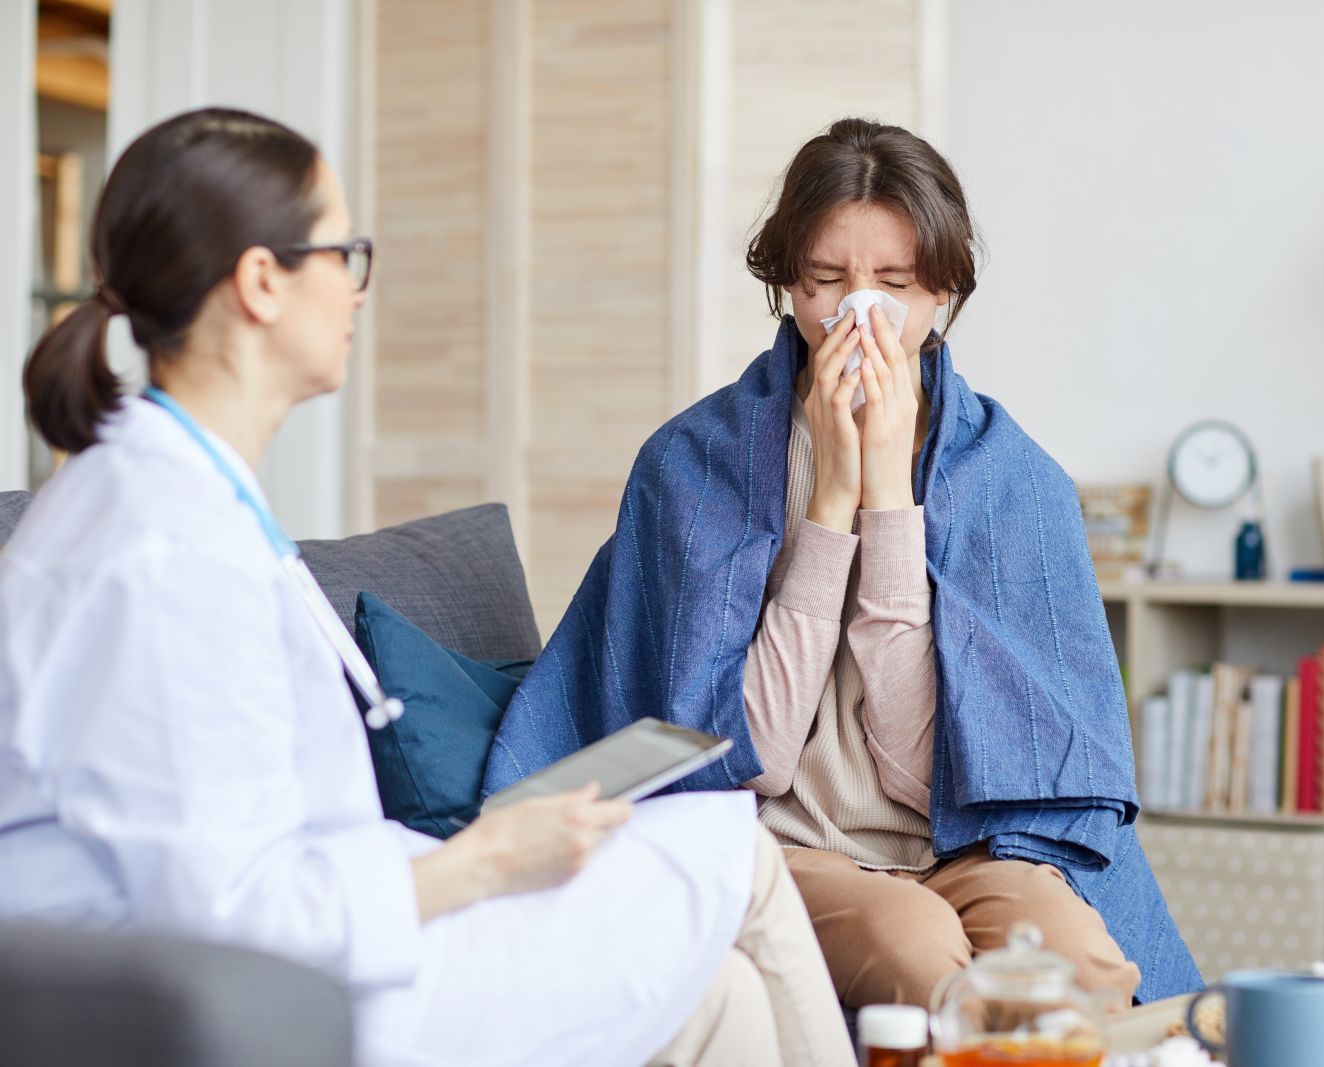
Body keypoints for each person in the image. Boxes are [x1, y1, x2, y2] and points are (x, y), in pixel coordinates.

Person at [0, 107, 854, 1067]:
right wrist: (482, 861)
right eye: (344, 253)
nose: (360, 292)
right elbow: (233, 917)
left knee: (721, 995)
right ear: (261, 282)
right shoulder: (159, 549)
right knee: (736, 852)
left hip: (329, 936)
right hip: (249, 1002)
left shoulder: (169, 492)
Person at [486, 118, 1204, 1012]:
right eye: (828, 282)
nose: (858, 315)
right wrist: (829, 501)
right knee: (920, 956)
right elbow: (749, 760)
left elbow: (916, 770)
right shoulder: (691, 464)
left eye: (894, 285)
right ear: (788, 284)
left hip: (974, 846)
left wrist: (892, 504)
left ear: (942, 292)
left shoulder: (1012, 480)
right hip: (784, 838)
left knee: (1082, 969)